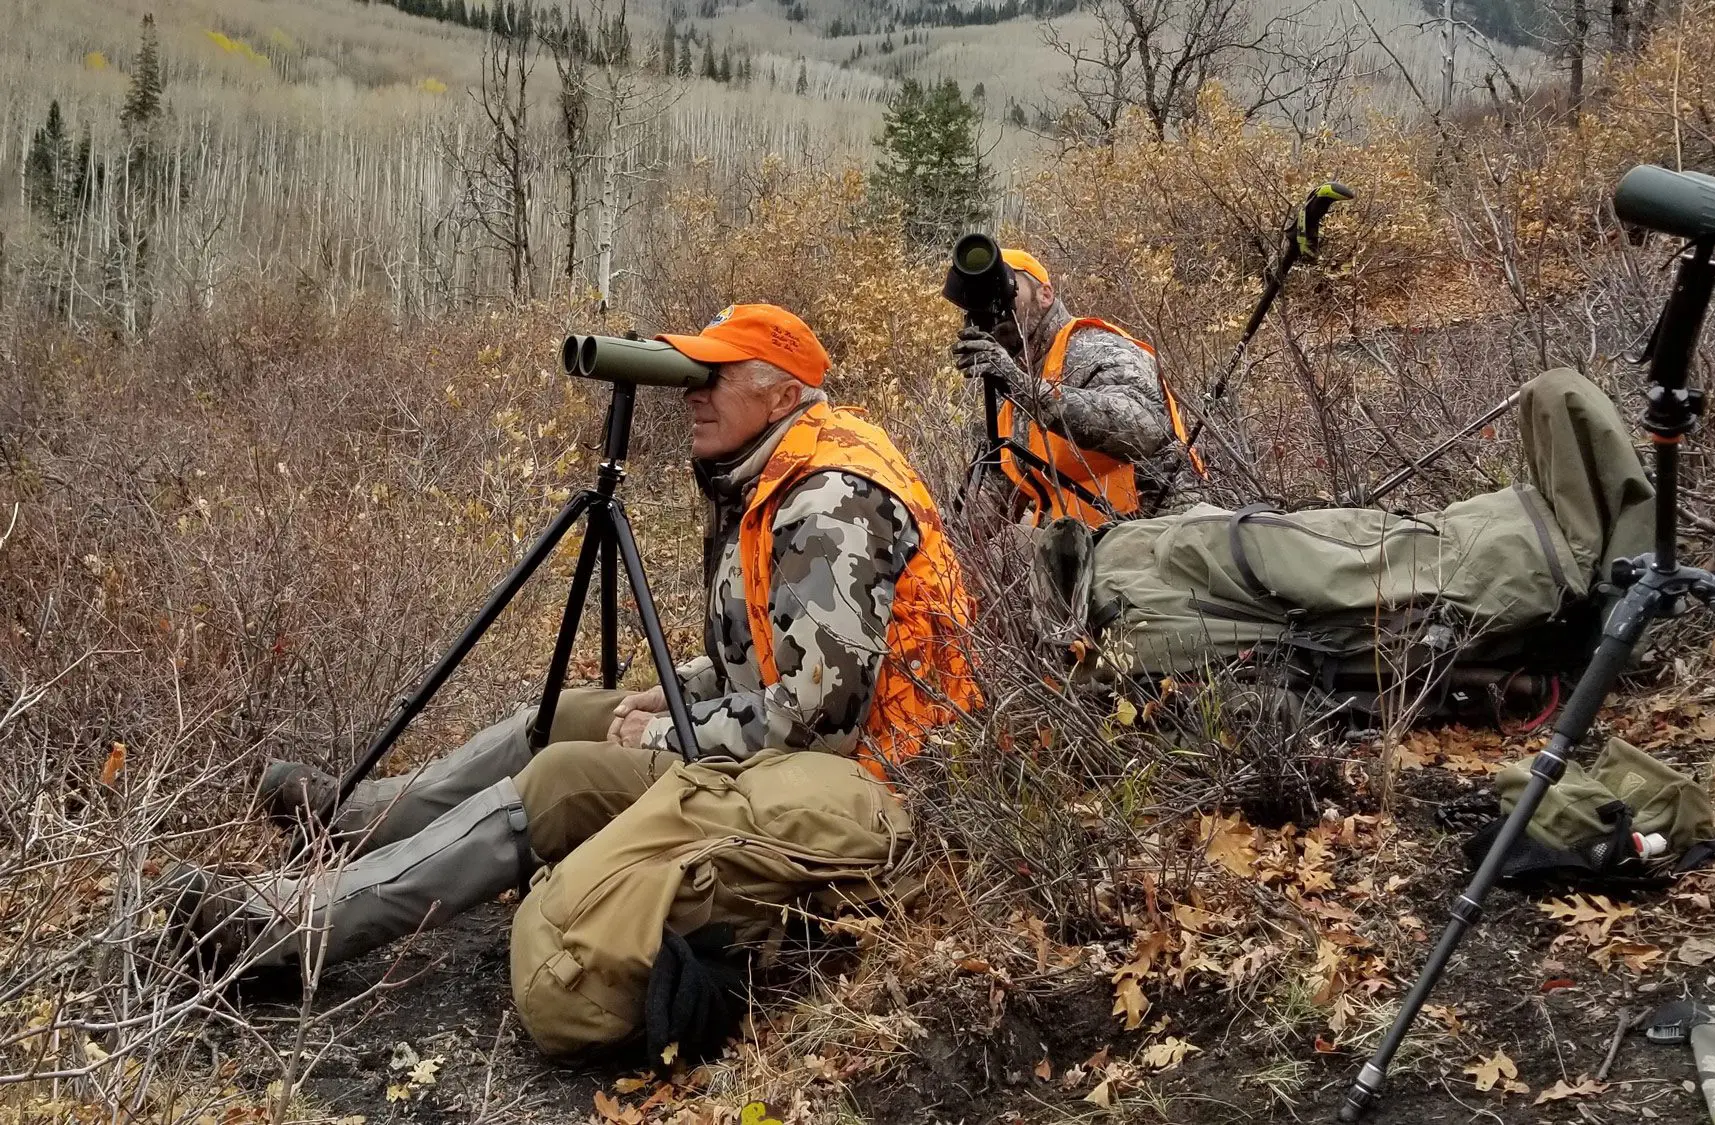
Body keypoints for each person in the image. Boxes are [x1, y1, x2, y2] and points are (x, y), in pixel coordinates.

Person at [168, 304, 980, 1060]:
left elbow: (820, 719)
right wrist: (687, 686)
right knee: (565, 715)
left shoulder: (831, 498)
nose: (691, 396)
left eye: (713, 378)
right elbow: (784, 653)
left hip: (873, 781)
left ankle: (284, 926)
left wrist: (663, 735)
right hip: (813, 741)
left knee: (562, 778)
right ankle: (353, 820)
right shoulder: (773, 474)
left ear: (783, 394)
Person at [950, 247, 1203, 528]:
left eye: (1002, 289)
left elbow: (1145, 428)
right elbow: (997, 492)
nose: (994, 305)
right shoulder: (1010, 386)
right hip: (1078, 549)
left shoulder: (1097, 348)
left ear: (1045, 295)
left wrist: (1021, 386)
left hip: (1155, 531)